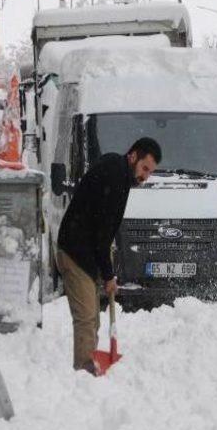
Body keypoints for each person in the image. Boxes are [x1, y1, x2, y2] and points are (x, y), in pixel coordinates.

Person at [56, 137, 162, 375]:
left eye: (150, 172)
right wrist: (109, 275)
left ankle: (89, 367)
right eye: (145, 168)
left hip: (84, 250)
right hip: (76, 251)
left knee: (93, 317)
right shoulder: (115, 177)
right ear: (133, 156)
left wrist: (105, 267)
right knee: (86, 318)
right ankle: (83, 375)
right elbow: (102, 231)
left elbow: (105, 227)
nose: (146, 176)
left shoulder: (118, 171)